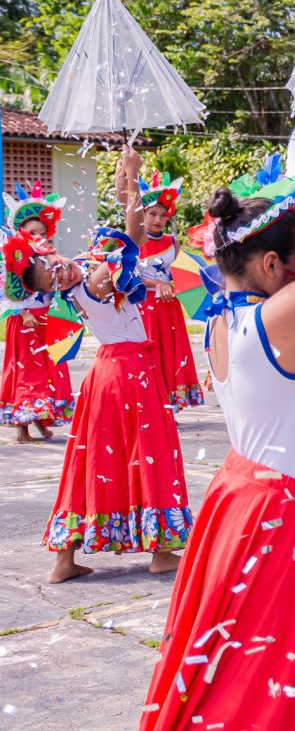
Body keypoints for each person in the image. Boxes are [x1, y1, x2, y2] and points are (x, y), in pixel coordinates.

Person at [140, 85, 295, 730]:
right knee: (273, 671)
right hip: (283, 511)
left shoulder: (223, 310)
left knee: (244, 659)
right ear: (274, 265)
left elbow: (288, 220)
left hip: (247, 496)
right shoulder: (274, 324)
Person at [26, 149, 191, 583]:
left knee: (90, 456)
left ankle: (65, 559)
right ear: (50, 289)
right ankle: (161, 551)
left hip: (108, 373)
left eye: (54, 265)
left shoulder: (83, 275)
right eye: (51, 277)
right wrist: (133, 176)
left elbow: (122, 234)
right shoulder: (95, 282)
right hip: (130, 374)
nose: (59, 271)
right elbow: (132, 234)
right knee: (148, 452)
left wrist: (123, 180)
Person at [0, 183, 75, 441]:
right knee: (27, 371)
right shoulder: (12, 256)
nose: (38, 237)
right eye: (33, 233)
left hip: (47, 320)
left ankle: (43, 420)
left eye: (43, 233)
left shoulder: (48, 255)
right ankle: (23, 424)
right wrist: (23, 313)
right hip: (25, 322)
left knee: (50, 370)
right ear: (19, 232)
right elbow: (6, 290)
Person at [137, 173, 204, 410]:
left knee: (169, 354)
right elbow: (127, 276)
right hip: (144, 307)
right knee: (150, 354)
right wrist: (157, 285)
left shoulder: (172, 241)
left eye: (163, 215)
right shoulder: (134, 241)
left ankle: (168, 404)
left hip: (169, 307)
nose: (158, 219)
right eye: (152, 214)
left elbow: (177, 272)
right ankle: (150, 404)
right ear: (142, 214)